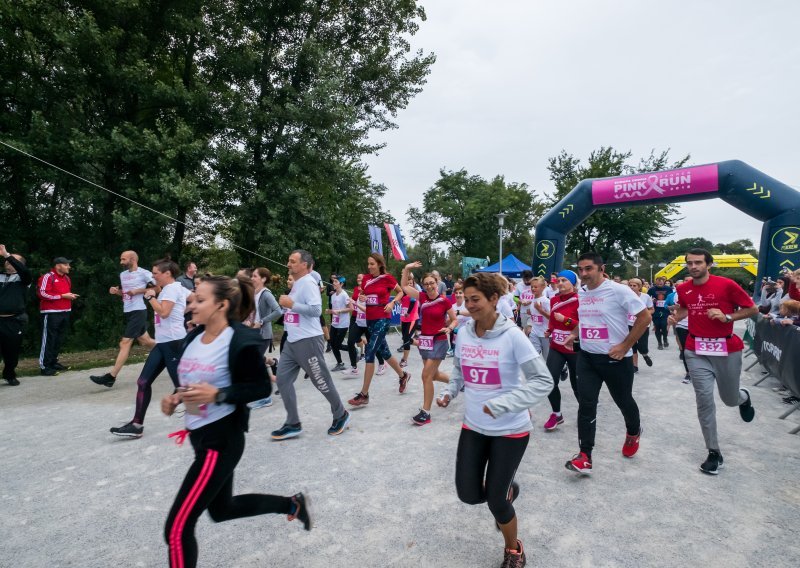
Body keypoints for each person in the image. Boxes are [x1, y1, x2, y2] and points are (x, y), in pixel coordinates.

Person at [161, 275, 310, 568]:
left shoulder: (237, 340)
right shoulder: (194, 337)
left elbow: (260, 388)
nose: (192, 305)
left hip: (220, 443)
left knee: (177, 529)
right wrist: (177, 396)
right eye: (193, 299)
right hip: (199, 436)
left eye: (200, 300)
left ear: (221, 305)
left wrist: (218, 395)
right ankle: (292, 504)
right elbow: (197, 379)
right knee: (222, 509)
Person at [437, 272, 552, 568]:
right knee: (468, 494)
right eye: (465, 298)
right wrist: (450, 392)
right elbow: (460, 370)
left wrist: (504, 403)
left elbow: (543, 381)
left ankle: (514, 549)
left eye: (475, 299)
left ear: (494, 299)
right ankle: (508, 489)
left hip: (510, 430)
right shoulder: (463, 332)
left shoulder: (512, 336)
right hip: (474, 426)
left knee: (496, 502)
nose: (469, 305)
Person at [668, 249, 758, 475]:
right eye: (689, 263)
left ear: (709, 264)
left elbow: (752, 309)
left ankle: (743, 397)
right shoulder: (683, 287)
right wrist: (675, 317)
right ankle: (713, 452)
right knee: (704, 401)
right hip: (696, 350)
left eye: (698, 262)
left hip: (726, 349)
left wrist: (728, 316)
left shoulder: (726, 285)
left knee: (729, 399)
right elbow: (685, 307)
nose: (693, 266)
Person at [565, 253, 651, 475]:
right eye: (580, 269)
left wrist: (624, 346)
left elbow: (644, 318)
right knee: (586, 403)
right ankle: (585, 455)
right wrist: (574, 334)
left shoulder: (618, 290)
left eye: (588, 269)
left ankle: (633, 432)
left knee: (623, 401)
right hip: (587, 357)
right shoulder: (582, 292)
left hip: (616, 359)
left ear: (601, 268)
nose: (583, 274)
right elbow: (586, 318)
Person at [271, 250, 350, 440]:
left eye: (292, 261)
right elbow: (294, 309)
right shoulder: (297, 284)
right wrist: (286, 306)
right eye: (288, 261)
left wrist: (291, 304)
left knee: (321, 381)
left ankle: (341, 414)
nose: (288, 264)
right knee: (282, 380)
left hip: (308, 341)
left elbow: (315, 310)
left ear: (305, 265)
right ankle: (293, 423)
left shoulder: (308, 283)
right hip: (292, 341)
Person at [110, 258, 190, 438]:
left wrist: (152, 298)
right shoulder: (176, 288)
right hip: (162, 342)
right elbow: (194, 297)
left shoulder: (171, 289)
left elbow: (164, 312)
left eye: (155, 273)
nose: (153, 276)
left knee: (182, 388)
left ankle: (211, 423)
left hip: (173, 342)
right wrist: (185, 312)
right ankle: (137, 425)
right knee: (143, 382)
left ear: (167, 274)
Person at [348, 253, 411, 407]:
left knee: (370, 352)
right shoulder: (365, 279)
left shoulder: (387, 278)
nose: (369, 267)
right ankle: (403, 376)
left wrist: (392, 303)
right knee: (385, 352)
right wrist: (362, 298)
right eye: (368, 264)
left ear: (379, 264)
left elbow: (402, 292)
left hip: (383, 318)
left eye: (372, 264)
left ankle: (364, 394)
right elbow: (364, 295)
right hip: (370, 319)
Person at [90, 250, 157, 387]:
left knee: (125, 343)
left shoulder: (144, 273)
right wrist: (116, 292)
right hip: (128, 311)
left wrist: (138, 291)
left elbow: (158, 288)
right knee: (146, 341)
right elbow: (125, 294)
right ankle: (171, 350)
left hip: (139, 310)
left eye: (123, 259)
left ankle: (111, 377)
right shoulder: (123, 275)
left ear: (132, 259)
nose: (121, 262)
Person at [401, 261, 457, 425]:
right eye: (426, 284)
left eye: (431, 283)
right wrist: (406, 269)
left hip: (439, 341)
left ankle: (426, 413)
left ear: (437, 283)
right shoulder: (422, 297)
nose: (429, 286)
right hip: (425, 341)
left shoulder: (444, 301)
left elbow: (454, 320)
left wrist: (449, 328)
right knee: (434, 375)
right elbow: (404, 286)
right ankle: (458, 382)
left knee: (426, 375)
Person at [542, 270, 580, 431]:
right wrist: (550, 330)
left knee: (577, 384)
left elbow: (582, 324)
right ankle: (556, 414)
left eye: (564, 280)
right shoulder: (554, 300)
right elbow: (552, 318)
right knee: (549, 381)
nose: (560, 283)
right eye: (558, 280)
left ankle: (584, 411)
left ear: (573, 283)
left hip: (574, 347)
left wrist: (565, 320)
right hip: (556, 346)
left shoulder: (580, 300)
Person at [247, 267, 282, 410]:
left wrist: (261, 321)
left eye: (255, 276)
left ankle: (265, 397)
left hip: (263, 335)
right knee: (252, 361)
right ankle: (273, 362)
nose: (252, 278)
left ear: (263, 279)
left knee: (253, 364)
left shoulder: (266, 294)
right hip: (253, 333)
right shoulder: (254, 292)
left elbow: (278, 311)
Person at [37, 256, 78, 376]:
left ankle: (53, 362)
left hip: (65, 312)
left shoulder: (66, 278)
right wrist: (62, 296)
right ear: (58, 265)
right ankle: (44, 366)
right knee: (49, 339)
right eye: (66, 264)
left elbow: (64, 294)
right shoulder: (48, 276)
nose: (69, 267)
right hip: (50, 313)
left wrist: (69, 296)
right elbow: (42, 293)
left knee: (58, 339)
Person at [0, 244, 32, 386]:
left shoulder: (24, 279)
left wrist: (7, 254)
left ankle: (9, 374)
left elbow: (24, 272)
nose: (8, 261)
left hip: (14, 321)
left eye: (12, 259)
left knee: (11, 352)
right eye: (6, 259)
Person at [665, 279, 691, 383]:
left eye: (689, 281)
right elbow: (674, 307)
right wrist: (673, 313)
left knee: (696, 350)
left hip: (698, 325)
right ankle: (688, 373)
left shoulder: (702, 291)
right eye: (685, 281)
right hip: (682, 324)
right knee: (686, 350)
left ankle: (700, 372)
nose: (687, 282)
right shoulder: (677, 294)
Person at [627, 278, 654, 373]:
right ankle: (635, 366)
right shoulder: (625, 296)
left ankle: (645, 354)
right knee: (632, 346)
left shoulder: (645, 297)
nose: (632, 287)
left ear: (639, 287)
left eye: (634, 286)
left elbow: (652, 309)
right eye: (630, 285)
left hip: (643, 324)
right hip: (629, 324)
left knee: (642, 346)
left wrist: (644, 314)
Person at [326, 276, 351, 371]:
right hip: (334, 323)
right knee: (333, 344)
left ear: (341, 284)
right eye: (333, 281)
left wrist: (339, 311)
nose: (333, 283)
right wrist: (330, 311)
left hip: (343, 324)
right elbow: (334, 310)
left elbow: (350, 308)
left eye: (336, 282)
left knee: (337, 344)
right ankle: (340, 363)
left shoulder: (344, 295)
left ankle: (352, 349)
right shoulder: (332, 296)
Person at [398, 272, 420, 367]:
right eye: (407, 283)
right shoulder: (402, 293)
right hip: (404, 319)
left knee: (406, 339)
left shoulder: (413, 293)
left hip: (412, 319)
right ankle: (420, 344)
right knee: (405, 338)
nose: (409, 285)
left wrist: (408, 312)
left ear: (413, 284)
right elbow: (399, 300)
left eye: (411, 283)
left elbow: (411, 304)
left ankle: (404, 360)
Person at [527, 276, 550, 359]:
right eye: (532, 286)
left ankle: (563, 369)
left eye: (535, 287)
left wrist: (540, 310)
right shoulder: (533, 300)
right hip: (534, 332)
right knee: (533, 354)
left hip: (545, 333)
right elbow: (535, 316)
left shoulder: (546, 301)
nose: (533, 288)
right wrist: (531, 313)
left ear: (543, 287)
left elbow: (551, 317)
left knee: (546, 357)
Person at [648, 276, 672, 349]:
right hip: (656, 310)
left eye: (661, 281)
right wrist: (652, 300)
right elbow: (647, 298)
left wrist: (671, 306)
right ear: (656, 282)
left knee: (664, 325)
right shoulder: (652, 289)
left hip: (665, 310)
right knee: (657, 326)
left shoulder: (668, 289)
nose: (659, 283)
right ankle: (659, 343)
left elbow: (671, 298)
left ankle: (665, 338)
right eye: (658, 282)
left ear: (663, 282)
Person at [514, 270, 535, 336]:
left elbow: (541, 296)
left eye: (528, 279)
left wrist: (531, 301)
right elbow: (515, 297)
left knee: (530, 330)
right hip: (523, 311)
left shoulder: (535, 284)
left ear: (532, 278)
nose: (526, 281)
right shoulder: (519, 285)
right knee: (526, 330)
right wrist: (520, 301)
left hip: (534, 311)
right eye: (524, 279)